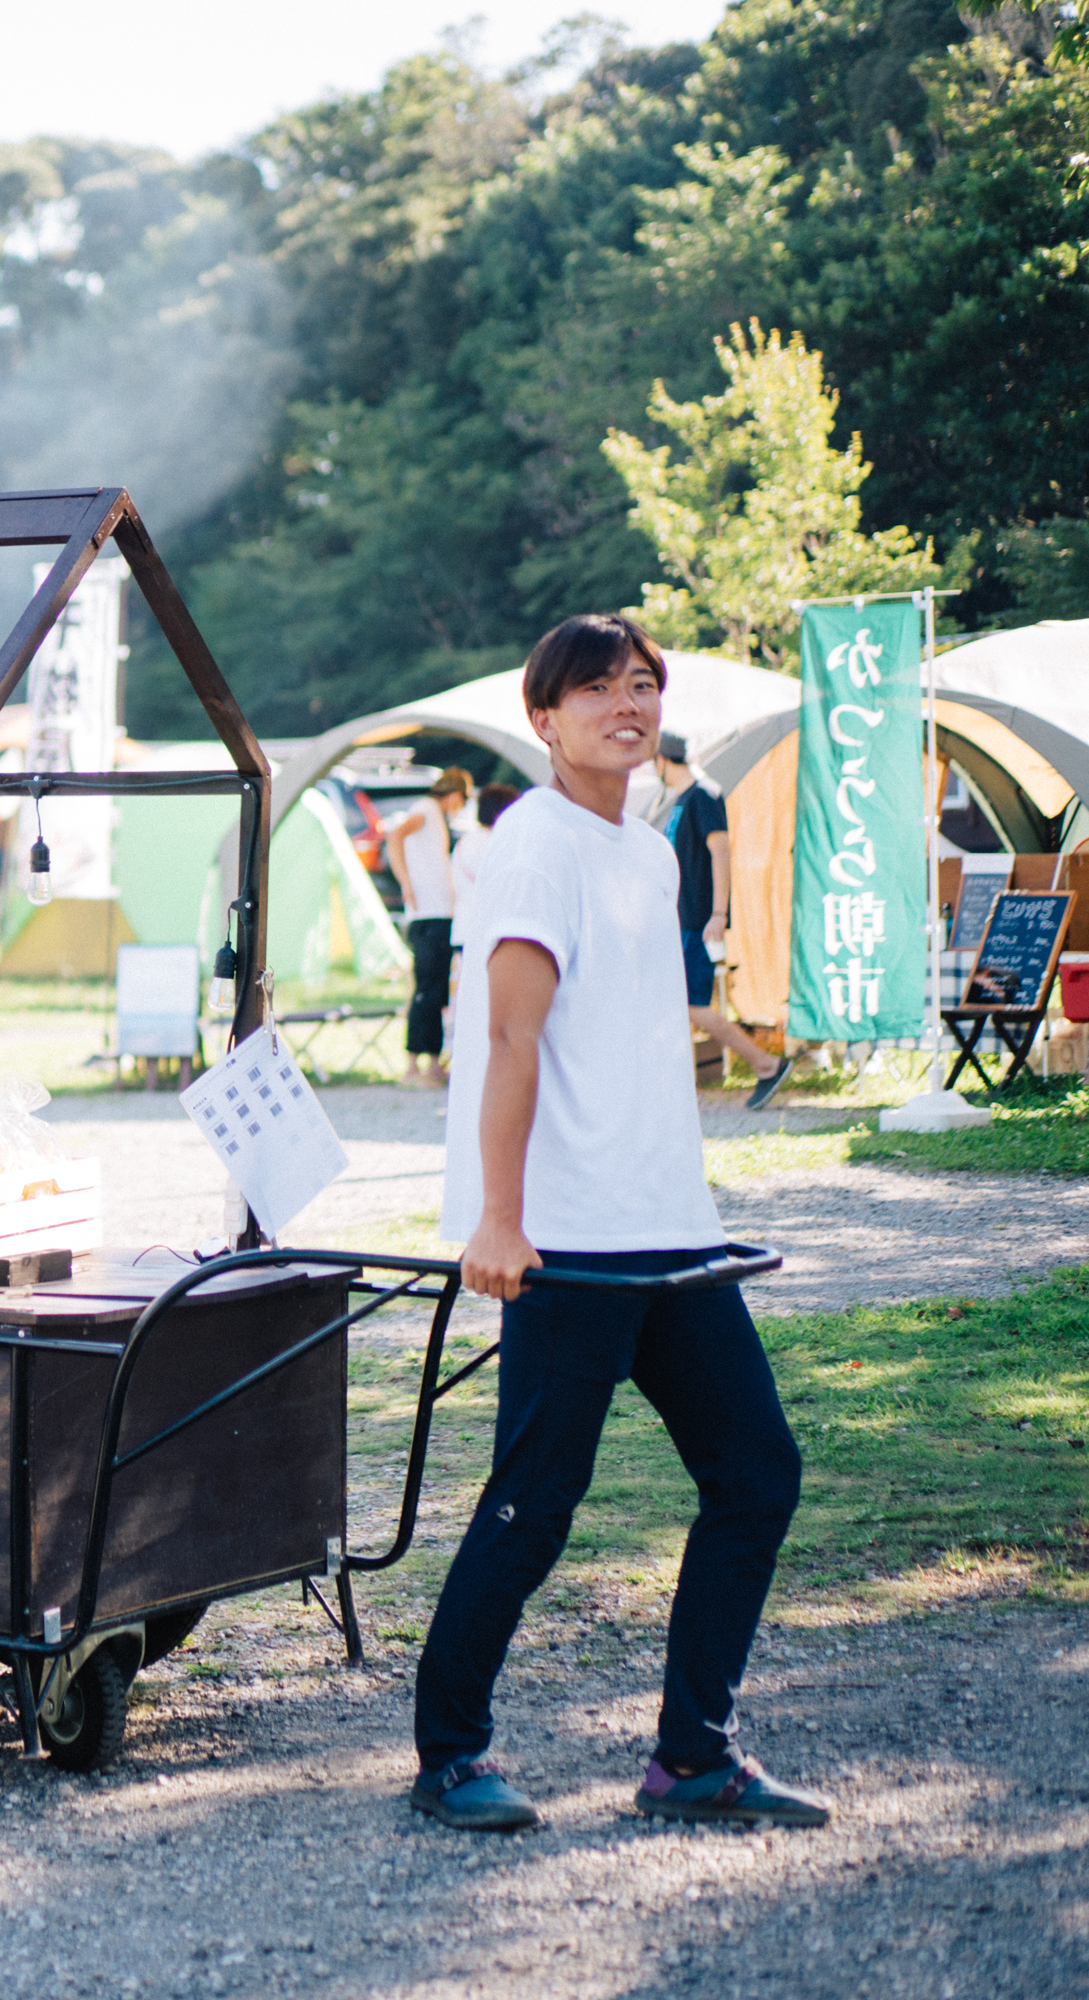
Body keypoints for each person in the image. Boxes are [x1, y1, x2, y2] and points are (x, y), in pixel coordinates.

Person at [419, 613, 826, 1835]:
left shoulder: (648, 850)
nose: (625, 704)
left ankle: (693, 1752)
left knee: (756, 1473)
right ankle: (450, 1750)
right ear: (543, 719)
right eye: (595, 688)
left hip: (668, 1227)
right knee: (536, 1501)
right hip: (569, 1236)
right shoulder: (532, 847)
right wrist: (499, 1218)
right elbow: (509, 1039)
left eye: (642, 683)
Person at [654, 733, 795, 1109]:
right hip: (685, 919)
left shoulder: (703, 795)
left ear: (661, 760)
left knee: (692, 1004)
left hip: (699, 919)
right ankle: (673, 1086)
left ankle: (765, 1064)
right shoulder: (684, 800)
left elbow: (720, 850)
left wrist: (718, 913)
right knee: (681, 1003)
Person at [385, 768, 474, 1086]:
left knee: (433, 989)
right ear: (453, 795)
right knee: (428, 989)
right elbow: (395, 835)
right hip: (429, 914)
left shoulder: (433, 814)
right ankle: (416, 1066)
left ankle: (430, 1063)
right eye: (460, 802)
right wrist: (406, 882)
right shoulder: (425, 809)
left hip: (439, 913)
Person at [450, 783, 520, 920]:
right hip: (483, 928)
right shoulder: (492, 843)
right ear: (500, 813)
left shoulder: (466, 840)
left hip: (465, 925)